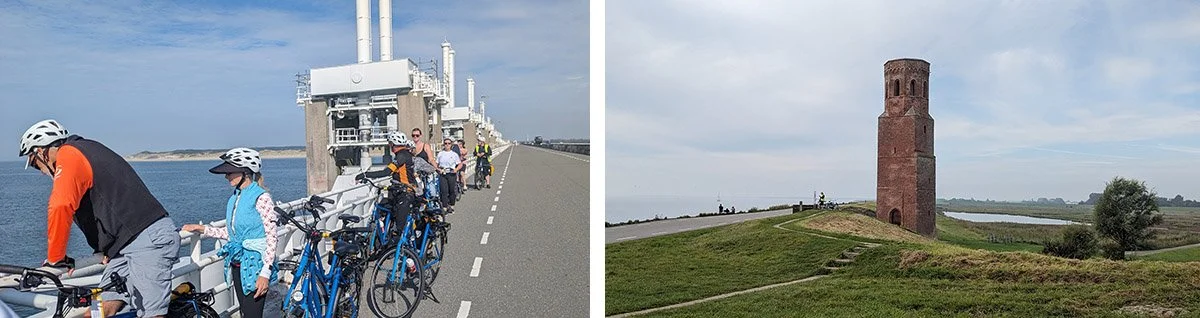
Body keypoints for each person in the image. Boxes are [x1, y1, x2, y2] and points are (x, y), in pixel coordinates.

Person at [18, 119, 179, 318]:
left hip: (147, 239)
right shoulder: (87, 149)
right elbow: (107, 203)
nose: (41, 172)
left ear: (41, 151)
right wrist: (103, 248)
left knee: (152, 314)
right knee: (100, 309)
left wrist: (55, 259)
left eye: (34, 164)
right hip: (124, 246)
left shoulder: (69, 154)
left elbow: (60, 206)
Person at [181, 148, 278, 318]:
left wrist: (265, 273)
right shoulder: (236, 196)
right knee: (245, 312)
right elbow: (233, 234)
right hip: (238, 264)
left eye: (230, 172)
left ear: (245, 172)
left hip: (255, 265)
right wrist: (203, 229)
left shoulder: (261, 198)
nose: (227, 176)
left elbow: (271, 237)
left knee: (252, 315)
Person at [356, 132, 420, 227]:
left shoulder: (401, 156)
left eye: (390, 143)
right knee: (383, 208)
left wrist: (365, 174)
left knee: (400, 225)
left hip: (406, 192)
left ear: (392, 144)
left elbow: (386, 172)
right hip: (399, 190)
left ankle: (398, 236)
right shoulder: (404, 154)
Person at [437, 138, 463, 210]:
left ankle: (452, 205)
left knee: (451, 190)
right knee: (443, 190)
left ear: (451, 145)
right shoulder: (440, 154)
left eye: (449, 143)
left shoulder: (454, 154)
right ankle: (444, 206)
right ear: (443, 144)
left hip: (451, 173)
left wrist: (456, 169)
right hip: (443, 173)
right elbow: (436, 164)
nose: (447, 145)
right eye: (445, 143)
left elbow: (460, 164)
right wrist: (439, 169)